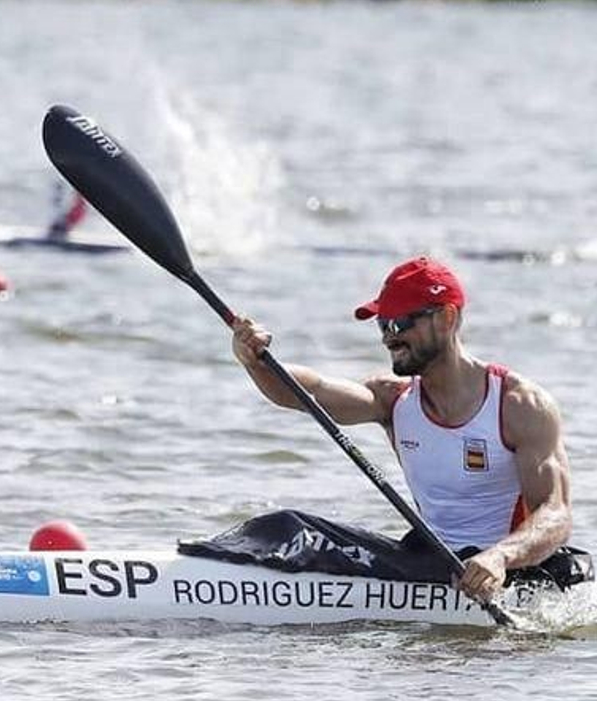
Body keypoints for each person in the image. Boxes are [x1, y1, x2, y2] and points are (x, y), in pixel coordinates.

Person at [229, 255, 574, 603]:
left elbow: (556, 513)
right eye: (383, 326)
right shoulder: (393, 400)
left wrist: (499, 557)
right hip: (430, 560)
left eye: (400, 324)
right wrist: (256, 361)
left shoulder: (519, 405)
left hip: (507, 572)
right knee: (288, 527)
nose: (388, 339)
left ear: (447, 318)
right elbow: (310, 392)